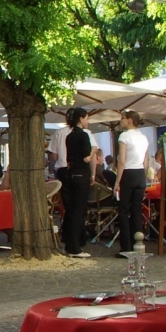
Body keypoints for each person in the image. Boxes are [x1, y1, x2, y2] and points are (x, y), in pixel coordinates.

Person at [47, 108, 97, 243]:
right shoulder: (85, 134)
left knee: (69, 206)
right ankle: (78, 236)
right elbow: (90, 157)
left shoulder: (60, 133)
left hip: (64, 170)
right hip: (80, 170)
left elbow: (54, 155)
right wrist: (93, 173)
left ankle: (68, 235)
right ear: (80, 118)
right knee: (79, 206)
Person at [114, 110, 149, 258]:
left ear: (129, 120)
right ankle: (138, 245)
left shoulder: (124, 136)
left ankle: (126, 247)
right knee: (136, 211)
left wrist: (117, 181)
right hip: (140, 173)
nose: (120, 121)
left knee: (123, 211)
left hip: (128, 173)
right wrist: (144, 177)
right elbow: (146, 161)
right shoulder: (144, 137)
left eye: (122, 119)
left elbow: (121, 161)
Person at [63, 107, 94, 258]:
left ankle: (70, 244)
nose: (88, 121)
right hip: (82, 174)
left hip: (71, 174)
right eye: (87, 118)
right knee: (79, 211)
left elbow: (69, 160)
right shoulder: (83, 136)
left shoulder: (69, 137)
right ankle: (75, 247)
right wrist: (94, 150)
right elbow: (86, 158)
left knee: (71, 210)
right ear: (81, 119)